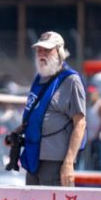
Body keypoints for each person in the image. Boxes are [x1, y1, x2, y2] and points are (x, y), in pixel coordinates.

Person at [17, 31, 86, 186]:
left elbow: (80, 124)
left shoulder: (71, 80)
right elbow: (36, 114)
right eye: (39, 50)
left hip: (55, 160)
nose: (42, 54)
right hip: (33, 155)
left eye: (47, 50)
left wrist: (68, 163)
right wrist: (17, 131)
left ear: (60, 52)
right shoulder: (39, 78)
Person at [84, 86, 101, 171]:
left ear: (97, 93)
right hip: (91, 137)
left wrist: (97, 134)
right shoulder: (89, 104)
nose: (90, 95)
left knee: (100, 161)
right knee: (91, 161)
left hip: (99, 137)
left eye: (92, 93)